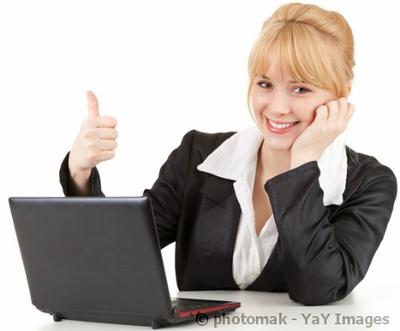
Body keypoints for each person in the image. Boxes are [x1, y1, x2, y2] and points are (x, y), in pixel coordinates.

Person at [59, 2, 397, 305]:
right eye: (265, 84)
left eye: (301, 88)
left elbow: (319, 287)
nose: (277, 108)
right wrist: (80, 170)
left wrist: (303, 164)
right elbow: (118, 254)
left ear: (341, 95)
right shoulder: (197, 157)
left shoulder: (367, 183)